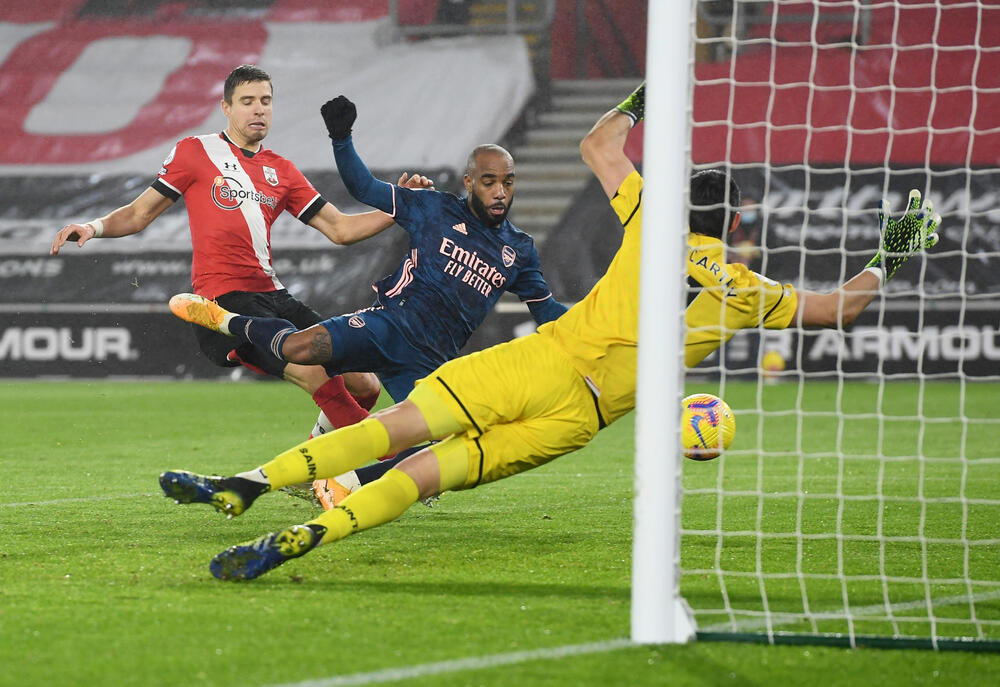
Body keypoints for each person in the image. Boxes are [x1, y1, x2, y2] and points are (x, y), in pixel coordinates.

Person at [158, 82, 941, 581]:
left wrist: (648, 94)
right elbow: (840, 308)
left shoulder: (650, 217)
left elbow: (596, 144)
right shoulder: (746, 290)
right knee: (427, 473)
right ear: (735, 224)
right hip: (581, 418)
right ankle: (309, 535)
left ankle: (251, 482)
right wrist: (891, 254)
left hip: (540, 362)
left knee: (395, 429)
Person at [168, 94, 567, 509]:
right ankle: (225, 320)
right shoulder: (433, 207)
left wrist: (597, 317)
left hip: (428, 360)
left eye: (508, 182)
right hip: (384, 326)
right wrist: (342, 137)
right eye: (489, 181)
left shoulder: (520, 250)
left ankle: (330, 478)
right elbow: (363, 187)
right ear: (469, 182)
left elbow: (548, 314)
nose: (500, 192)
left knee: (446, 450)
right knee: (298, 348)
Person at [49, 64, 432, 440]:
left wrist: (400, 207)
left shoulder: (282, 170)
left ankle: (315, 459)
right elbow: (138, 213)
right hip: (225, 302)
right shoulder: (195, 151)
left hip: (275, 298)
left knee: (364, 383)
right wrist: (93, 227)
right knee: (316, 374)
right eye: (247, 101)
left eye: (265, 100)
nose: (258, 109)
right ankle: (393, 459)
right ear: (227, 107)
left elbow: (340, 229)